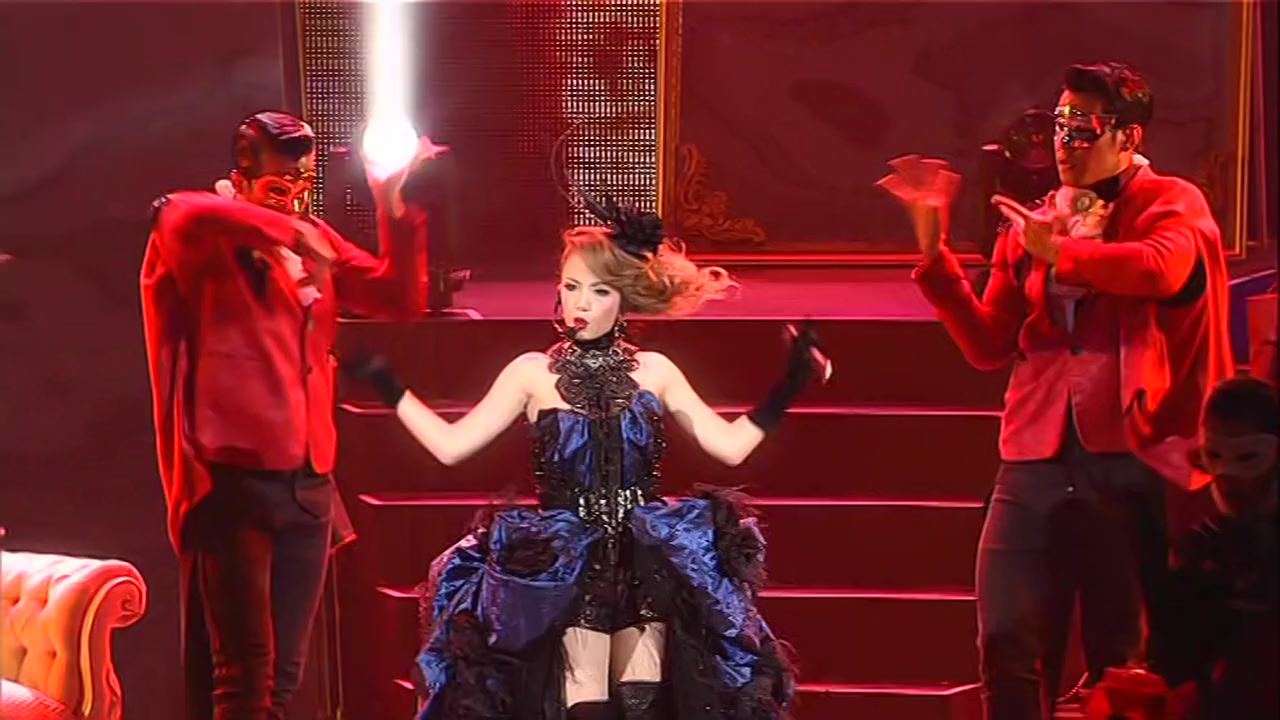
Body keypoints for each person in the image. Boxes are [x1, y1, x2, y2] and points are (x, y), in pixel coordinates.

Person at [344, 196, 815, 719]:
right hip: (566, 563)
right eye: (570, 287)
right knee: (585, 705)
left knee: (641, 704)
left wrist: (790, 384)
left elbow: (730, 448)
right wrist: (390, 388)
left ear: (624, 296)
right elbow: (450, 447)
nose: (580, 304)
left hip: (646, 561)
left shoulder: (655, 371)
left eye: (599, 290)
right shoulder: (531, 373)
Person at [876, 62, 1233, 719]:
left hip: (1131, 451)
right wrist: (935, 254)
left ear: (1127, 136)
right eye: (1060, 125)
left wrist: (1061, 255)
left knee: (1120, 653)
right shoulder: (1038, 220)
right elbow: (990, 344)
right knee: (1005, 635)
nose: (1064, 142)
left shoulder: (1171, 203)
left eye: (1082, 127)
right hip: (1035, 450)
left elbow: (1160, 268)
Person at [140, 110, 440, 720]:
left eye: (302, 184)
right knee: (244, 674)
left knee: (282, 675)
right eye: (278, 186)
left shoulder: (314, 236)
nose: (293, 199)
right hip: (231, 476)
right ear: (240, 180)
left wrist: (391, 201)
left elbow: (399, 297)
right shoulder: (205, 235)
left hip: (307, 480)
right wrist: (285, 232)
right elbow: (176, 211)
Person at [1147, 376, 1278, 719]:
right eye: (1215, 455)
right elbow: (1173, 664)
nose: (1227, 477)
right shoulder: (1198, 551)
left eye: (1247, 458)